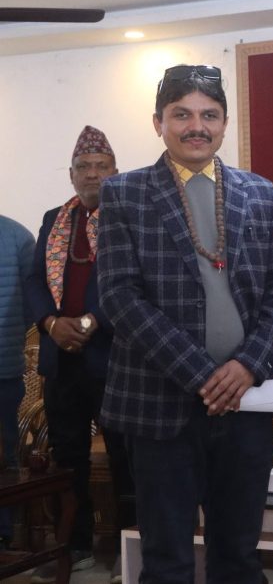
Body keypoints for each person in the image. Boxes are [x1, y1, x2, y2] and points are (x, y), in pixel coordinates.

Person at [96, 65, 273, 584]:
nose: (196, 127)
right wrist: (201, 374)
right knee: (167, 561)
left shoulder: (259, 191)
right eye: (181, 114)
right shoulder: (124, 193)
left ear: (225, 123)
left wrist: (247, 365)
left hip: (246, 404)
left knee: (239, 557)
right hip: (159, 405)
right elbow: (119, 296)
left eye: (209, 115)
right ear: (158, 122)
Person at [24, 127, 134, 583]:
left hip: (114, 359)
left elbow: (133, 280)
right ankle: (77, 547)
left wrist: (90, 322)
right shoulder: (54, 219)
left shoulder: (129, 216)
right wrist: (51, 324)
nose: (92, 174)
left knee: (127, 457)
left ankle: (130, 550)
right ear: (71, 176)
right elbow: (34, 280)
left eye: (101, 167)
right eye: (84, 168)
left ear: (115, 173)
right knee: (68, 458)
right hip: (62, 360)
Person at [0, 214, 33, 550]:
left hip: (3, 368)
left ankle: (4, 535)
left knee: (4, 455)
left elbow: (32, 303)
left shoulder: (17, 237)